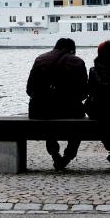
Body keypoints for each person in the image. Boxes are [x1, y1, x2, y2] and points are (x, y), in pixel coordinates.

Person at [26, 38, 88, 170]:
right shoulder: (78, 62)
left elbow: (29, 89)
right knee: (78, 124)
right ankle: (68, 156)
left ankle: (55, 153)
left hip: (40, 111)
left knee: (48, 119)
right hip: (70, 110)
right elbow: (84, 93)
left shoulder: (40, 59)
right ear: (72, 49)